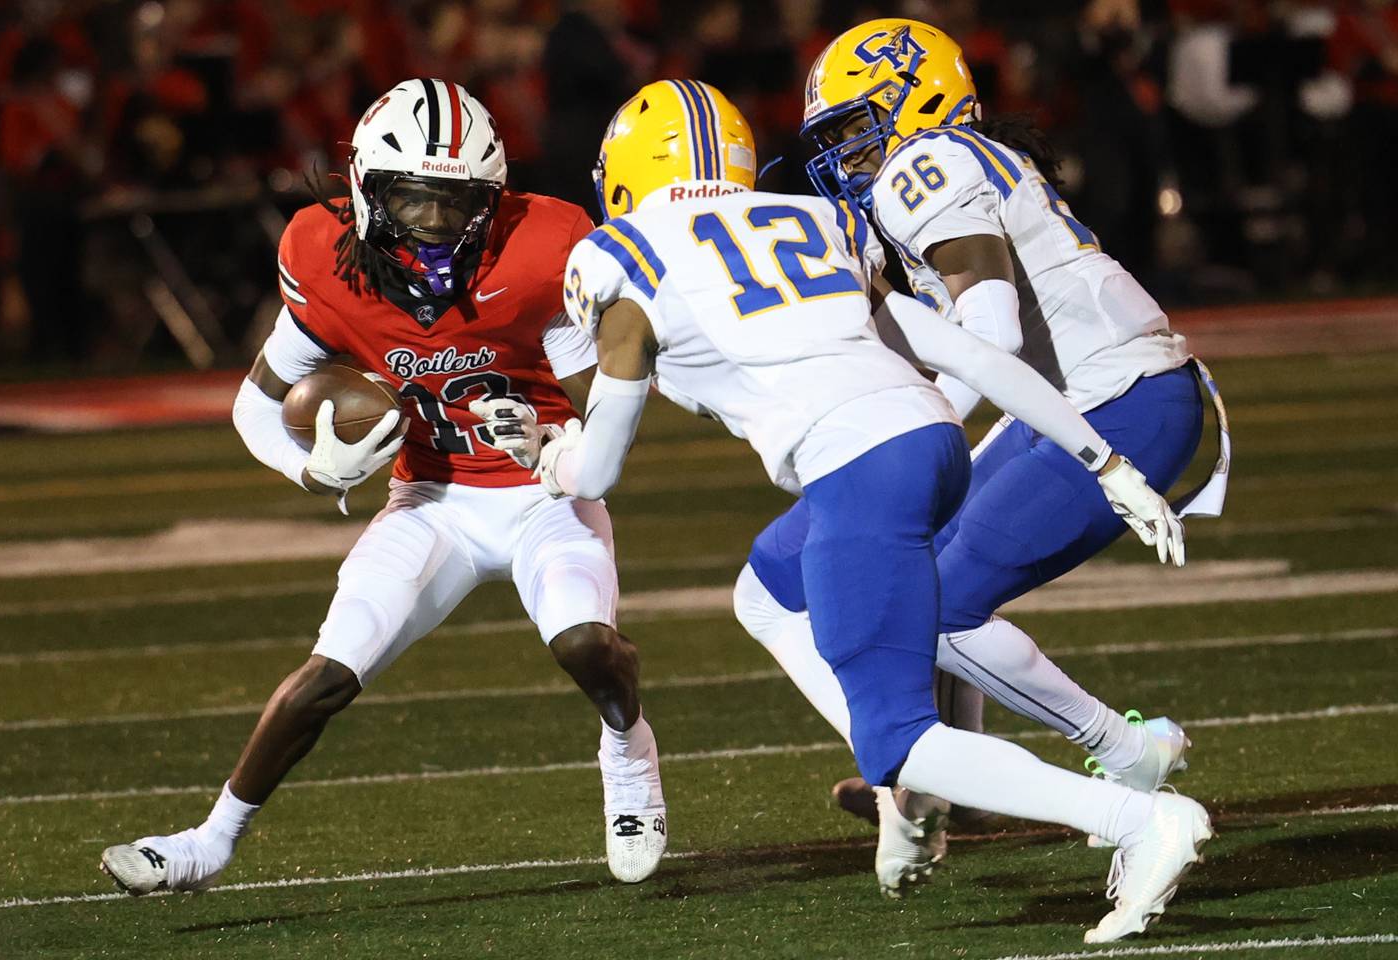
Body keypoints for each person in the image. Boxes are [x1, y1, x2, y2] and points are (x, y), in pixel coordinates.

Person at [479, 76, 1210, 945]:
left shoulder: (619, 257)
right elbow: (965, 352)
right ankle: (912, 782)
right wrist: (1104, 460)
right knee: (766, 588)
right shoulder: (817, 221)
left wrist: (546, 454)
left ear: (625, 176)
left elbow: (595, 467)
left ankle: (1135, 816)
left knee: (903, 736)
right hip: (931, 440)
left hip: (861, 467)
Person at [99, 79, 667, 895]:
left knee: (586, 645)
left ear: (492, 199)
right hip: (430, 498)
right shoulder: (323, 261)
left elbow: (598, 406)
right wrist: (309, 466)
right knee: (328, 673)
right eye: (413, 200)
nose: (435, 225)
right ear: (366, 187)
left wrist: (555, 438)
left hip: (543, 493)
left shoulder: (542, 246)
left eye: (456, 203)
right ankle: (210, 841)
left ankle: (628, 750)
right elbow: (256, 403)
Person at [732, 16, 1231, 868]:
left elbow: (989, 331)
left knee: (945, 605)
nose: (848, 154)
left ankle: (1124, 751)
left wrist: (900, 427)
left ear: (918, 101)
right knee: (915, 576)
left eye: (858, 127)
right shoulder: (956, 164)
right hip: (1089, 395)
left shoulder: (926, 168)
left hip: (1122, 401)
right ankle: (943, 780)